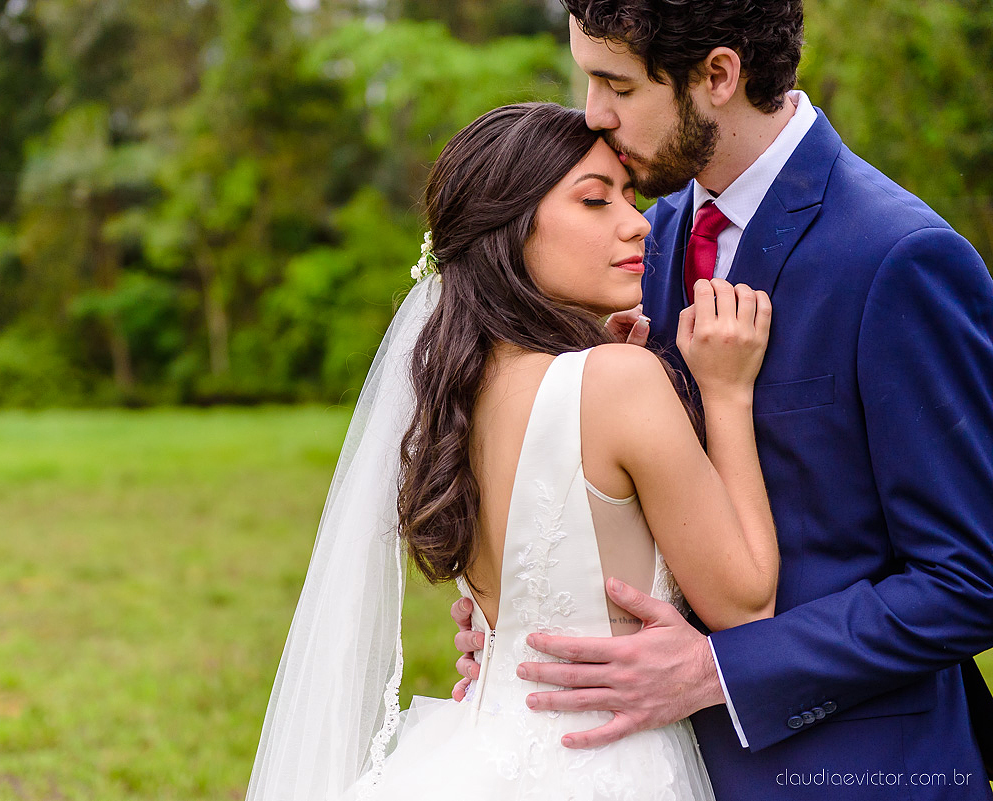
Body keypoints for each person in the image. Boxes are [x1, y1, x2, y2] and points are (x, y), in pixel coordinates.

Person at [450, 3, 993, 800]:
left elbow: (971, 577)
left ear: (717, 75)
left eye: (616, 84)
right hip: (642, 764)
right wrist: (535, 619)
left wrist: (719, 671)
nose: (592, 112)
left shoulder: (897, 258)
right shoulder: (644, 237)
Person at [247, 101, 780, 800]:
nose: (638, 222)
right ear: (509, 230)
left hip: (475, 752)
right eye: (595, 200)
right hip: (605, 767)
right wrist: (727, 392)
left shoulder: (451, 395)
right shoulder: (621, 381)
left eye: (629, 196)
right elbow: (745, 605)